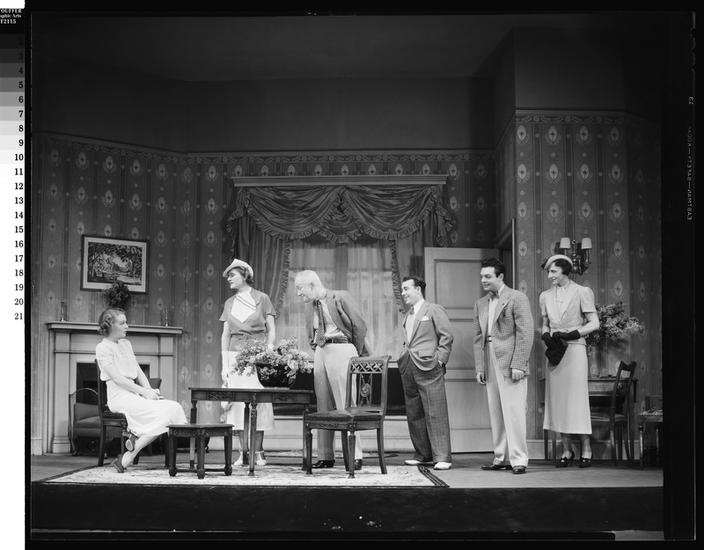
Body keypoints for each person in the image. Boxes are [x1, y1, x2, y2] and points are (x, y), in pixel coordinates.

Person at [95, 308, 187, 473]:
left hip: (134, 394)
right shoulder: (103, 348)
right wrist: (144, 393)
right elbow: (118, 379)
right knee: (163, 417)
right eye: (122, 323)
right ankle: (129, 457)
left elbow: (137, 371)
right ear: (110, 325)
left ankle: (134, 443)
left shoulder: (126, 344)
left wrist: (150, 391)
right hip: (119, 397)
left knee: (174, 407)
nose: (127, 326)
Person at [294, 270, 368, 470]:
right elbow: (310, 332)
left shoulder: (340, 297)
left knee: (346, 402)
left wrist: (353, 350)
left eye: (300, 288)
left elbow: (360, 326)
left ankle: (354, 455)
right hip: (321, 351)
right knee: (323, 404)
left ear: (311, 285)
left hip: (342, 348)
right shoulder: (310, 306)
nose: (298, 293)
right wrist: (317, 347)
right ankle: (326, 456)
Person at [473, 258, 534, 474]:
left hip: (509, 359)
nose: (483, 280)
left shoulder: (517, 297)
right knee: (496, 411)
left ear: (500, 276)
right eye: (482, 276)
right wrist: (480, 367)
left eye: (488, 276)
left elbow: (525, 333)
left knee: (514, 411)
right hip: (489, 357)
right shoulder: (481, 303)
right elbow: (477, 337)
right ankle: (501, 457)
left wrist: (519, 363)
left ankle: (519, 460)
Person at [540, 254, 600, 468]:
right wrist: (545, 334)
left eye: (553, 271)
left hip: (574, 349)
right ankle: (567, 450)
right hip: (556, 350)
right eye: (548, 272)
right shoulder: (545, 296)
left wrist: (575, 333)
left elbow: (594, 323)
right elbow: (545, 323)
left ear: (565, 271)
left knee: (576, 400)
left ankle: (586, 448)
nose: (550, 276)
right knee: (558, 402)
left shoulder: (582, 292)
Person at [220, 258, 277, 467]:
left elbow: (271, 329)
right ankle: (243, 452)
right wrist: (225, 365)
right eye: (228, 276)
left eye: (232, 275)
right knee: (236, 405)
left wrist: (268, 351)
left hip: (257, 357)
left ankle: (258, 451)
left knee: (259, 403)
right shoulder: (229, 303)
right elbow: (225, 335)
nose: (229, 279)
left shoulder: (262, 298)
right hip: (235, 358)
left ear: (244, 275)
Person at [398, 276, 454, 470]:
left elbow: (447, 336)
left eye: (406, 289)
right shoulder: (408, 315)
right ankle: (423, 454)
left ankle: (442, 457)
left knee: (435, 411)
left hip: (429, 365)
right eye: (402, 289)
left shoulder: (433, 309)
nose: (403, 293)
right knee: (414, 412)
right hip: (409, 366)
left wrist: (440, 360)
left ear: (418, 289)